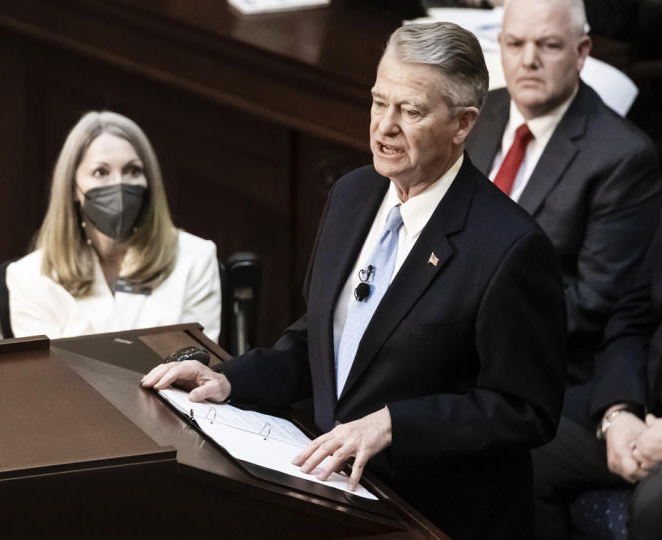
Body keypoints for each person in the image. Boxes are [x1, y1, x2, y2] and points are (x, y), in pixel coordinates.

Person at [142, 22, 566, 539]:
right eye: (378, 103)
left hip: (433, 516)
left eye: (410, 111)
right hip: (329, 495)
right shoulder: (353, 195)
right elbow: (322, 342)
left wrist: (394, 424)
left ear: (462, 124)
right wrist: (233, 380)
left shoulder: (510, 248)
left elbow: (525, 410)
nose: (385, 126)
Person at [466, 0, 662, 384]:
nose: (528, 60)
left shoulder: (622, 157)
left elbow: (595, 302)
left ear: (581, 52)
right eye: (515, 44)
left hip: (533, 367)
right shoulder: (478, 114)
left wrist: (468, 321)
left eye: (549, 45)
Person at [6, 111, 221, 340]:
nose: (119, 185)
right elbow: (46, 374)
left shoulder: (196, 258)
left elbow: (199, 363)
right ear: (72, 188)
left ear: (149, 182)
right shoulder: (29, 278)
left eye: (133, 170)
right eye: (101, 172)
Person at [534, 219, 662, 540]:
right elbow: (634, 315)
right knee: (523, 439)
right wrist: (618, 411)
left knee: (654, 508)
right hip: (644, 400)